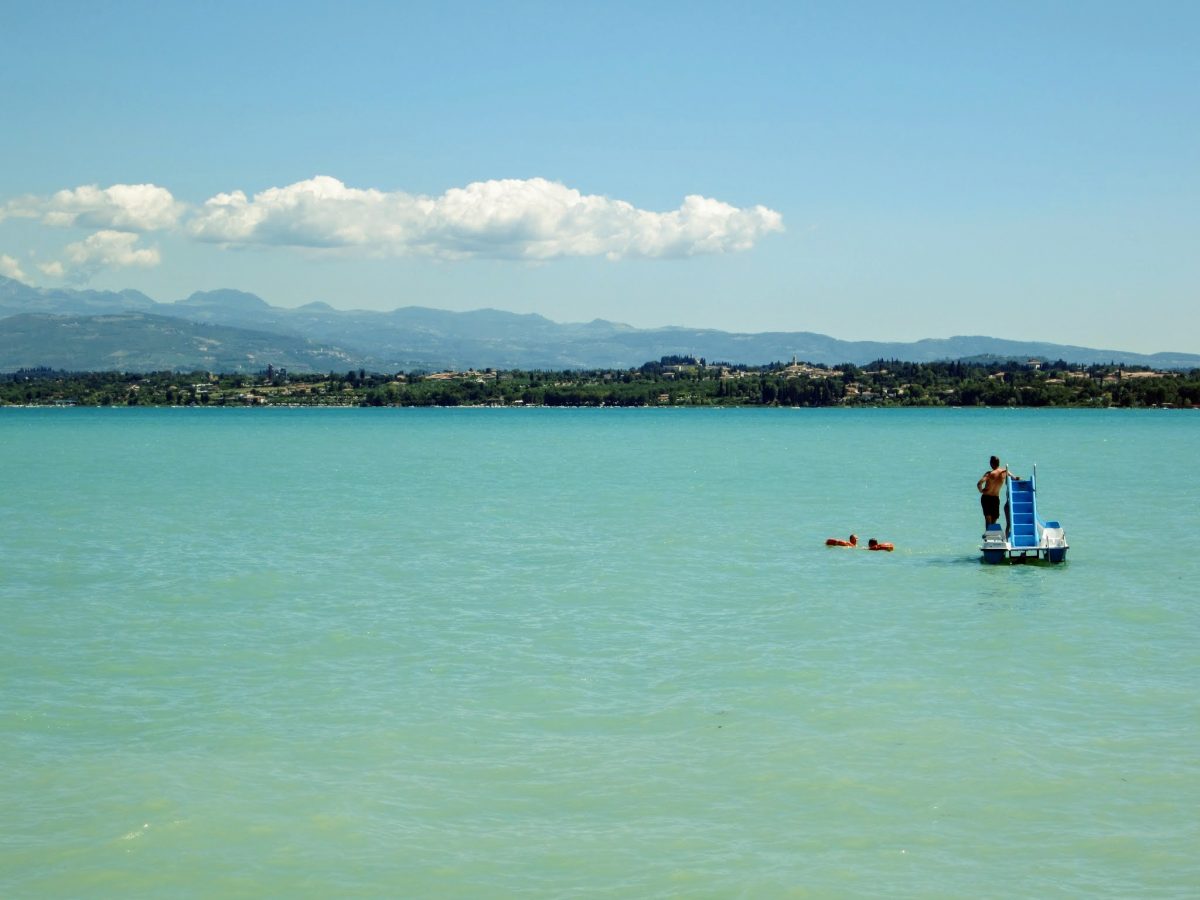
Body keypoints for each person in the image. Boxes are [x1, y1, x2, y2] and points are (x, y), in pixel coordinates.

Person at [976, 455, 1019, 536]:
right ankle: (990, 535)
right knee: (994, 519)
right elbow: (1015, 478)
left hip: (986, 498)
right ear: (998, 463)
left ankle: (989, 536)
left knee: (988, 518)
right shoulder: (1004, 472)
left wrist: (981, 490)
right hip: (995, 498)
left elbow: (979, 484)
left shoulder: (989, 474)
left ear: (991, 464)